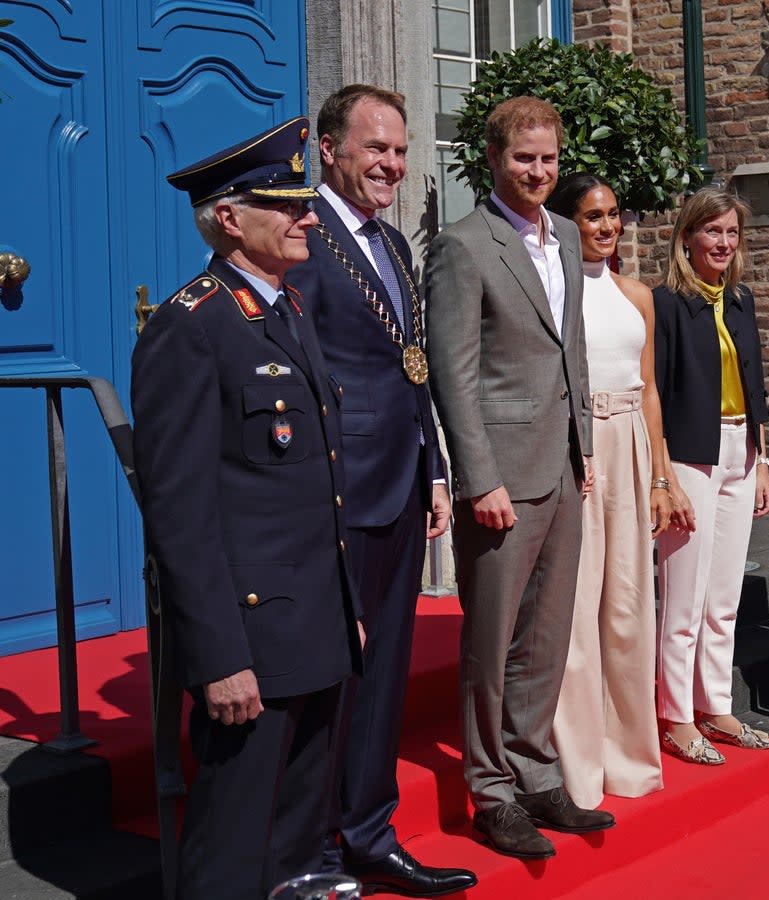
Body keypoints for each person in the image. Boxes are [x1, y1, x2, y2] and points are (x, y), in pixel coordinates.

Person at [131, 117, 363, 900]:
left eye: (307, 201)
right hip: (252, 636)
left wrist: (344, 606)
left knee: (298, 830)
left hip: (313, 616)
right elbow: (181, 514)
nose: (307, 215)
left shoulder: (287, 309)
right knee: (231, 847)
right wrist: (220, 655)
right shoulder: (190, 328)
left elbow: (314, 482)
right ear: (228, 217)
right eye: (286, 204)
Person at [288, 84, 476, 898]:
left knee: (387, 669)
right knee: (337, 676)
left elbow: (414, 368)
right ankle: (315, 848)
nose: (392, 165)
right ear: (328, 149)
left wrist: (435, 466)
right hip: (340, 491)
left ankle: (369, 830)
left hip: (401, 480)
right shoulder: (302, 235)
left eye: (400, 151)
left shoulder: (395, 244)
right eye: (375, 149)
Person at [425, 96, 613, 860]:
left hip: (564, 466)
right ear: (494, 160)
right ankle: (491, 789)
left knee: (547, 635)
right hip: (502, 476)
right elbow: (453, 375)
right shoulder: (463, 247)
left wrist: (587, 446)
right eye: (523, 159)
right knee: (493, 641)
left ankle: (536, 772)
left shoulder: (566, 235)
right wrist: (479, 479)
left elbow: (569, 345)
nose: (538, 172)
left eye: (548, 159)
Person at [545, 173, 670, 809]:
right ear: (567, 222)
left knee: (627, 604)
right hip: (578, 443)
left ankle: (629, 760)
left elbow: (648, 389)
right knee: (573, 608)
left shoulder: (638, 295)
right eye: (592, 216)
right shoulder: (554, 290)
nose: (607, 227)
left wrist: (661, 476)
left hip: (632, 447)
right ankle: (578, 768)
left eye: (614, 215)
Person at [653, 186, 769, 766]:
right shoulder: (667, 304)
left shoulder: (742, 299)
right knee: (684, 599)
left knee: (723, 599)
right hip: (690, 456)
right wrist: (663, 478)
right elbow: (652, 392)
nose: (723, 242)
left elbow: (757, 387)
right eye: (712, 231)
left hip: (740, 453)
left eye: (731, 232)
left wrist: (763, 460)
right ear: (687, 237)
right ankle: (676, 716)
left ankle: (716, 705)